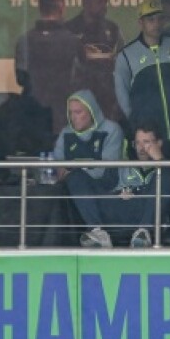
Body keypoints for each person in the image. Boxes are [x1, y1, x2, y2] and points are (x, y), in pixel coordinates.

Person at [74, 123, 170, 249]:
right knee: (76, 176)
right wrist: (116, 195)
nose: (141, 148)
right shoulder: (122, 166)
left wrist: (159, 159)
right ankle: (97, 231)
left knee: (164, 179)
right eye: (138, 143)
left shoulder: (167, 172)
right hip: (116, 216)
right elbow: (102, 189)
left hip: (144, 218)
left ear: (159, 143)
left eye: (147, 142)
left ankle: (143, 233)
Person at [114, 0, 170, 159]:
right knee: (150, 180)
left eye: (159, 19)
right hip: (148, 135)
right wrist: (137, 121)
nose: (156, 24)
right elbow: (122, 94)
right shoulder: (127, 55)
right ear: (140, 23)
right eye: (150, 20)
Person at [53, 90, 125, 238]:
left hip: (106, 187)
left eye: (78, 112)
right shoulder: (65, 133)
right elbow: (58, 167)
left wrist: (75, 169)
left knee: (76, 177)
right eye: (71, 112)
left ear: (91, 111)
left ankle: (97, 231)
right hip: (73, 190)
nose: (73, 117)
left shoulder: (111, 130)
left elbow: (105, 169)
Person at [14, 0, 84, 134]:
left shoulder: (25, 40)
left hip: (31, 114)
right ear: (62, 7)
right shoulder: (73, 42)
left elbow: (21, 79)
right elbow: (81, 81)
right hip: (63, 115)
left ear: (40, 7)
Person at [66, 0, 125, 124]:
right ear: (85, 2)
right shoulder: (69, 30)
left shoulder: (113, 29)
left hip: (108, 102)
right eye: (99, 2)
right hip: (79, 101)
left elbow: (122, 65)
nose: (104, 7)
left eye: (106, 2)